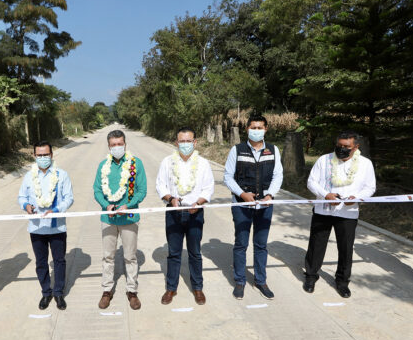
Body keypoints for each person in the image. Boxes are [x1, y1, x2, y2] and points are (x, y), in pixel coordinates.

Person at [304, 130, 376, 298]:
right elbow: (311, 181)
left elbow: (370, 187)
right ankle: (311, 276)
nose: (342, 149)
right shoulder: (324, 160)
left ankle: (342, 281)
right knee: (317, 244)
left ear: (356, 147)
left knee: (345, 247)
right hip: (324, 209)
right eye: (339, 146)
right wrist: (325, 194)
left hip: (348, 212)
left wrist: (357, 198)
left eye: (347, 147)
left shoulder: (365, 164)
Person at [223, 112, 283, 300]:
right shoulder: (237, 150)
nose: (256, 131)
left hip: (265, 206)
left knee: (261, 244)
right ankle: (240, 281)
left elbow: (278, 175)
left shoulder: (273, 150)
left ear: (265, 129)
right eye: (253, 128)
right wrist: (242, 194)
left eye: (260, 128)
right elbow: (228, 176)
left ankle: (260, 280)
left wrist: (270, 195)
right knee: (241, 244)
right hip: (241, 205)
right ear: (247, 129)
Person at [156, 127, 214, 305]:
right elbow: (161, 185)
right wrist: (170, 198)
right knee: (174, 253)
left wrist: (200, 202)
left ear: (195, 142)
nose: (185, 144)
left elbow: (208, 188)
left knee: (195, 252)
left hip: (195, 213)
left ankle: (197, 288)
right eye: (182, 141)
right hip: (174, 213)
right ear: (176, 143)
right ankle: (171, 288)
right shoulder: (167, 162)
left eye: (189, 141)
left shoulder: (203, 163)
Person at [93, 129, 147, 310]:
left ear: (125, 144)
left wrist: (129, 205)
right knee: (108, 256)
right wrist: (106, 205)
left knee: (130, 256)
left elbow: (142, 190)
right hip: (108, 218)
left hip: (129, 216)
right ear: (109, 146)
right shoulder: (103, 165)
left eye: (120, 144)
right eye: (113, 145)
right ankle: (107, 290)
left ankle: (132, 291)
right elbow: (98, 190)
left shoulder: (135, 164)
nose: (117, 147)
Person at [18, 141, 74, 310]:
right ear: (35, 156)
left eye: (46, 155)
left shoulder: (61, 175)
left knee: (59, 261)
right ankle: (46, 292)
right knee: (41, 262)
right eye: (39, 155)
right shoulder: (29, 176)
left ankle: (58, 293)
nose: (43, 158)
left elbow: (69, 198)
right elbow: (22, 197)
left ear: (51, 155)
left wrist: (56, 209)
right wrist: (26, 206)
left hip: (57, 227)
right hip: (36, 227)